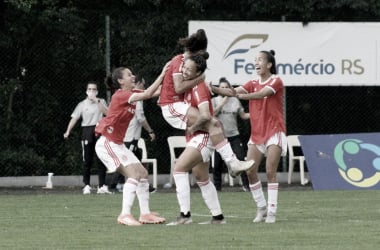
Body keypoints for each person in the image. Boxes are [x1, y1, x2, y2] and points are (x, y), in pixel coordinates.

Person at [158, 29, 254, 179]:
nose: (186, 70)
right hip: (173, 107)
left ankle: (232, 164)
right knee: (212, 123)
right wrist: (200, 78)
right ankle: (232, 163)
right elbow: (177, 87)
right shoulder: (180, 63)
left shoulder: (192, 78)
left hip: (180, 113)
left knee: (202, 177)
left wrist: (245, 93)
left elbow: (168, 87)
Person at [209, 50, 287, 224]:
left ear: (269, 64)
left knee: (270, 171)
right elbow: (232, 91)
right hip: (257, 134)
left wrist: (241, 96)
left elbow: (261, 94)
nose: (256, 63)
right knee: (250, 170)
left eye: (260, 60)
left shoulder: (276, 81)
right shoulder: (252, 82)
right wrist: (213, 89)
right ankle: (262, 208)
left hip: (274, 131)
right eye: (255, 60)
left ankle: (272, 212)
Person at [95, 62, 169, 226]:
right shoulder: (120, 95)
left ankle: (145, 214)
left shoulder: (132, 93)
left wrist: (174, 83)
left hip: (118, 144)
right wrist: (164, 74)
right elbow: (149, 92)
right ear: (121, 81)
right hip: (107, 143)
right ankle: (124, 215)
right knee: (134, 175)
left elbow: (154, 92)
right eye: (129, 75)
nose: (133, 76)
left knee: (142, 173)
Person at [167, 52, 225, 225]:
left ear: (198, 73)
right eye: (184, 67)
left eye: (188, 69)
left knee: (178, 169)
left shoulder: (198, 87)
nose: (184, 71)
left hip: (202, 137)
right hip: (198, 138)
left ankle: (185, 216)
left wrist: (192, 127)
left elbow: (206, 116)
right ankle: (218, 217)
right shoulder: (190, 87)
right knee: (202, 178)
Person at [63, 82, 112, 195]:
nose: (91, 91)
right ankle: (86, 185)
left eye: (94, 89)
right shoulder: (82, 104)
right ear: (86, 90)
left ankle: (102, 185)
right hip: (87, 131)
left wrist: (97, 101)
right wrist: (67, 131)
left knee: (101, 159)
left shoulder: (101, 101)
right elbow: (74, 118)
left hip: (99, 130)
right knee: (87, 160)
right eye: (89, 89)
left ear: (97, 91)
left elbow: (108, 113)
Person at [112, 75, 157, 193]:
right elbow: (140, 118)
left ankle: (143, 185)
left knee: (137, 160)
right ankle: (117, 184)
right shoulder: (133, 97)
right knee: (128, 163)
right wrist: (150, 131)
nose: (144, 86)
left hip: (132, 137)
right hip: (129, 136)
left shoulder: (134, 95)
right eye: (143, 84)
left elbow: (152, 92)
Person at [211, 77, 250, 191]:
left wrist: (257, 114)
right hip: (219, 137)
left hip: (234, 136)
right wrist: (223, 102)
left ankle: (246, 186)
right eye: (222, 88)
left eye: (226, 87)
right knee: (217, 164)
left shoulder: (235, 101)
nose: (224, 90)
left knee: (240, 159)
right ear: (219, 89)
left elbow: (243, 116)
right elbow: (213, 114)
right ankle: (217, 188)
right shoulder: (214, 101)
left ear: (230, 89)